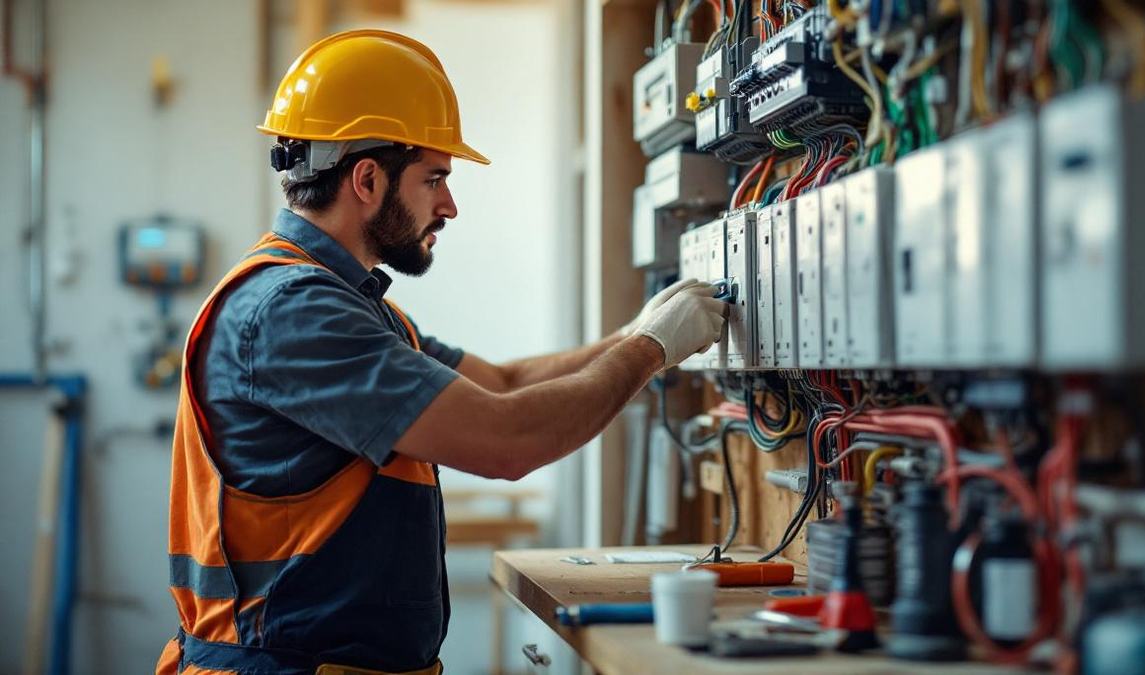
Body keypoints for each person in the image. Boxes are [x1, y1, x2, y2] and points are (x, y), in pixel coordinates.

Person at [156, 29, 727, 675]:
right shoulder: (293, 313)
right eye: (434, 178)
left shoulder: (354, 305)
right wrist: (652, 349)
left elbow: (505, 384)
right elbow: (506, 439)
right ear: (367, 179)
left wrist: (637, 331)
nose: (449, 205)